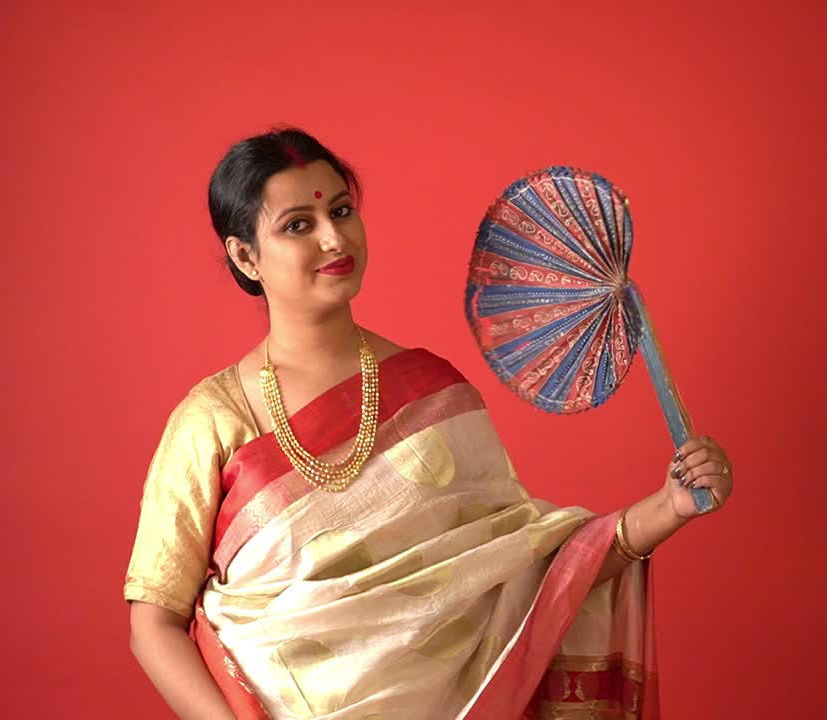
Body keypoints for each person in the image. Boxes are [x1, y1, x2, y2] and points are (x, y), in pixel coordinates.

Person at [124, 127, 734, 720]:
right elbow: (153, 623)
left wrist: (670, 507)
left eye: (342, 210)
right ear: (245, 256)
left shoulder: (432, 395)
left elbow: (527, 578)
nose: (335, 239)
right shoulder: (212, 419)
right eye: (299, 226)